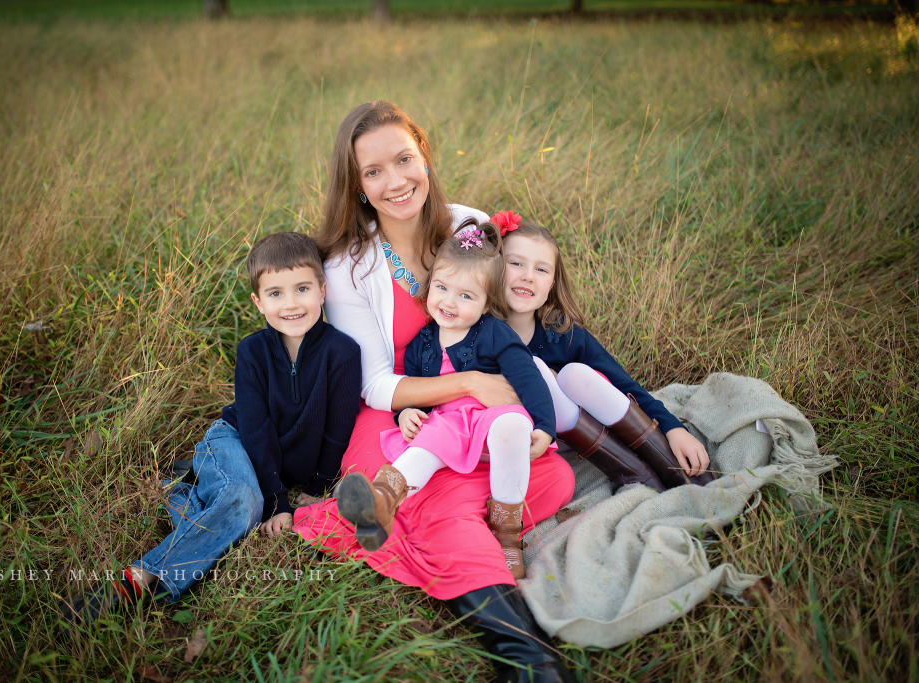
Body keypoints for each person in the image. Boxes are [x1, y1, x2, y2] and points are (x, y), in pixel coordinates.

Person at [293, 101, 577, 683]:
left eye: (404, 159)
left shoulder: (471, 228)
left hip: (474, 410)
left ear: (424, 155)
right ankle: (530, 657)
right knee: (436, 506)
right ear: (358, 187)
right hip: (394, 415)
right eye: (374, 172)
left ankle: (424, 515)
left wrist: (526, 388)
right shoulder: (349, 266)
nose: (395, 181)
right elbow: (376, 385)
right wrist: (471, 380)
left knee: (551, 473)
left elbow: (517, 312)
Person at [58, 232, 361, 637]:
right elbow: (255, 429)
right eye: (275, 293)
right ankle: (137, 580)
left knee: (237, 509)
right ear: (258, 302)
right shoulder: (252, 352)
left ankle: (181, 490)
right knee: (246, 504)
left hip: (277, 465)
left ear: (323, 291)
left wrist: (320, 484)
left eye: (302, 288)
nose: (291, 304)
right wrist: (277, 502)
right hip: (234, 442)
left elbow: (339, 427)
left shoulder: (342, 352)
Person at [336, 220, 556, 581]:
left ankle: (507, 536)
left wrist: (545, 425)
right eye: (442, 287)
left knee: (513, 423)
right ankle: (382, 500)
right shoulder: (424, 340)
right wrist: (407, 412)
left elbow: (529, 381)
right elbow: (417, 387)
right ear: (430, 286)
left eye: (466, 296)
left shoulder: (495, 334)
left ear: (487, 303)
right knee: (428, 441)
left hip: (489, 418)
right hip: (449, 422)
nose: (449, 302)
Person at [497, 211, 714, 490]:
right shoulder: (478, 334)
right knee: (536, 369)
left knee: (575, 374)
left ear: (551, 284)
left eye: (541, 269)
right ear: (494, 268)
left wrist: (673, 428)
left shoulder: (562, 332)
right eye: (516, 263)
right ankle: (641, 479)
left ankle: (672, 469)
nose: (528, 277)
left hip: (579, 428)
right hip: (529, 439)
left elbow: (623, 382)